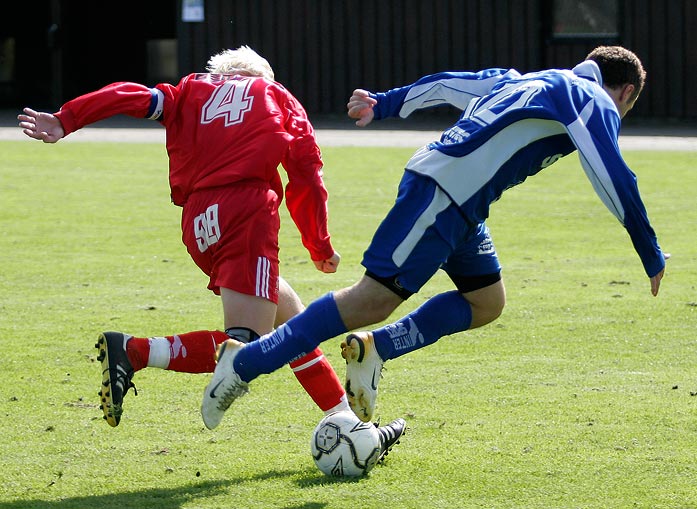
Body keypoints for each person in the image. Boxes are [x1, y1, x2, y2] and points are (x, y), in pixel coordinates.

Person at [199, 45, 667, 430]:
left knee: (486, 302)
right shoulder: (594, 99)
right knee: (372, 298)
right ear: (625, 91)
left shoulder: (528, 78)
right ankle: (242, 365)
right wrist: (649, 251)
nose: (618, 115)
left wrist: (385, 103)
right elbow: (612, 174)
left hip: (459, 201)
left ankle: (376, 348)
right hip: (444, 195)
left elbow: (448, 84)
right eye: (625, 107)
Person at [18, 46, 406, 451]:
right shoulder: (277, 96)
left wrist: (66, 119)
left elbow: (129, 95)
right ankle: (134, 351)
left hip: (199, 222)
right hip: (247, 210)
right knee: (249, 343)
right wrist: (318, 243)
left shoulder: (187, 91)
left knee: (293, 326)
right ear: (262, 76)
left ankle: (343, 416)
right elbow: (306, 174)